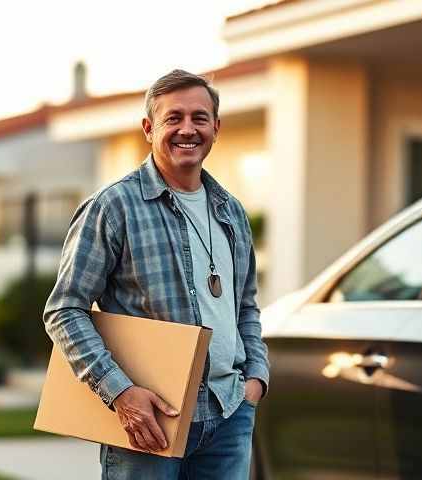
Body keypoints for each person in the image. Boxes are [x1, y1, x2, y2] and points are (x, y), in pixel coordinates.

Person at [43, 69, 270, 479]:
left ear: (216, 128)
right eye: (174, 118)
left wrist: (255, 378)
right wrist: (120, 393)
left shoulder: (232, 211)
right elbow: (64, 311)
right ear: (149, 128)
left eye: (200, 118)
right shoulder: (113, 207)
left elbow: (246, 307)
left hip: (229, 412)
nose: (188, 129)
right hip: (150, 422)